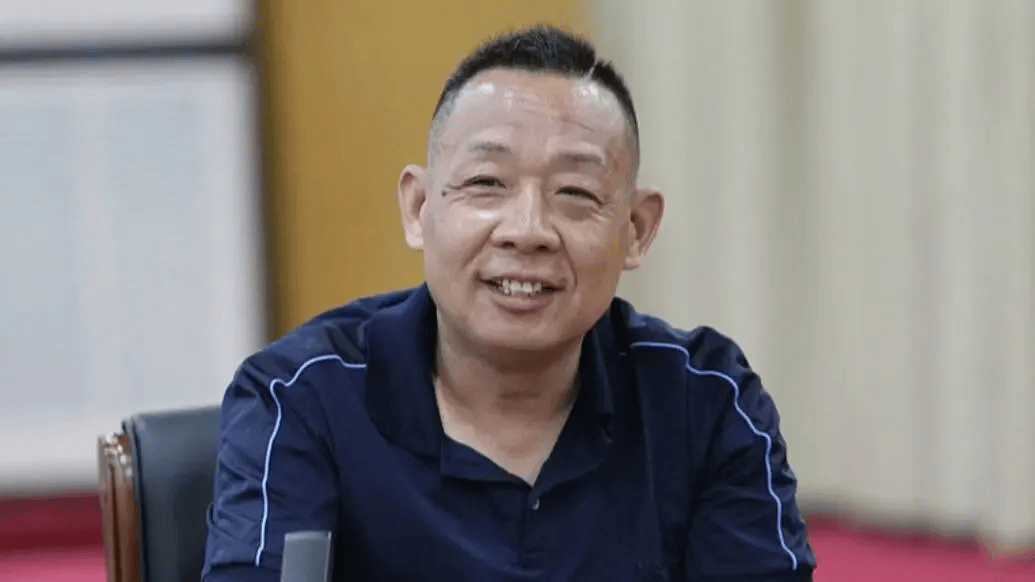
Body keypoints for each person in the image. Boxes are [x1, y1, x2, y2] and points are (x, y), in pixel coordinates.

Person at [203, 25, 816, 582]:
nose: (527, 230)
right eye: (486, 184)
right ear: (419, 208)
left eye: (574, 192)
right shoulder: (302, 397)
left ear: (636, 229)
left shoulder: (702, 401)